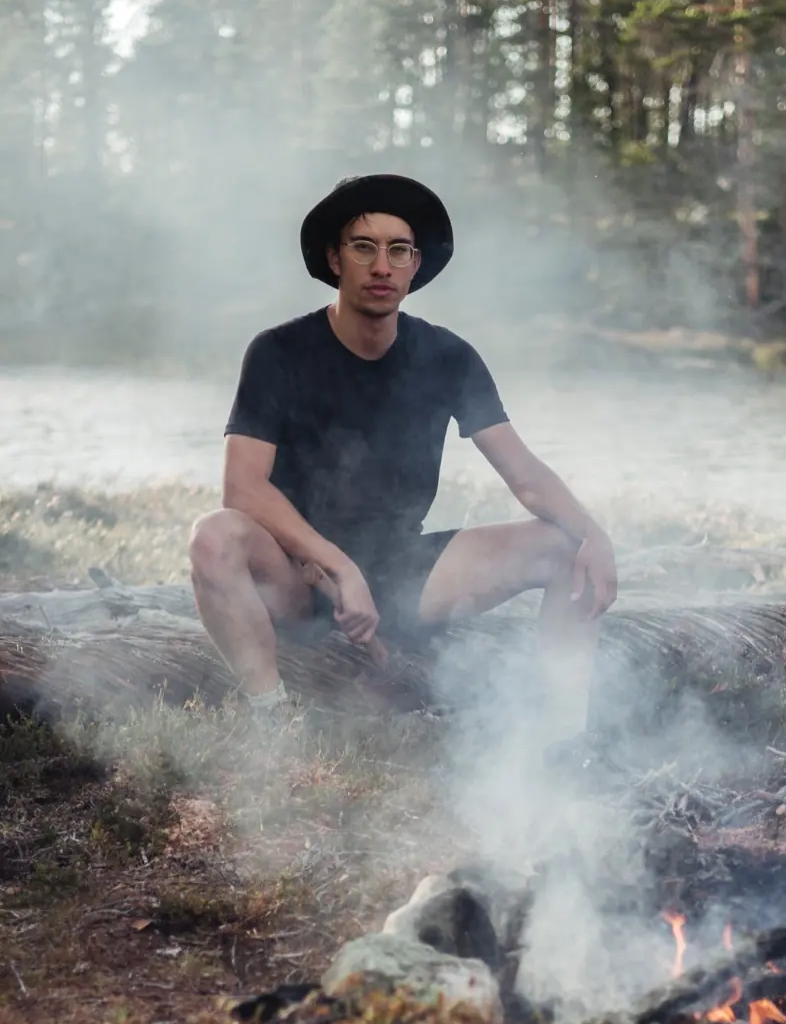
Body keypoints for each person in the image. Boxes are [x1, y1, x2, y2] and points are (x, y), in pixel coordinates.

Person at [188, 173, 618, 743]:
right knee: (214, 536)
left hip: (406, 572)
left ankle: (564, 740)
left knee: (566, 549)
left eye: (398, 250)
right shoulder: (278, 352)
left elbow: (525, 475)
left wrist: (596, 536)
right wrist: (340, 567)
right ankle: (273, 723)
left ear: (416, 265)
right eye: (363, 247)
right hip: (298, 575)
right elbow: (242, 489)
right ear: (334, 259)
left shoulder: (448, 357)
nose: (381, 265)